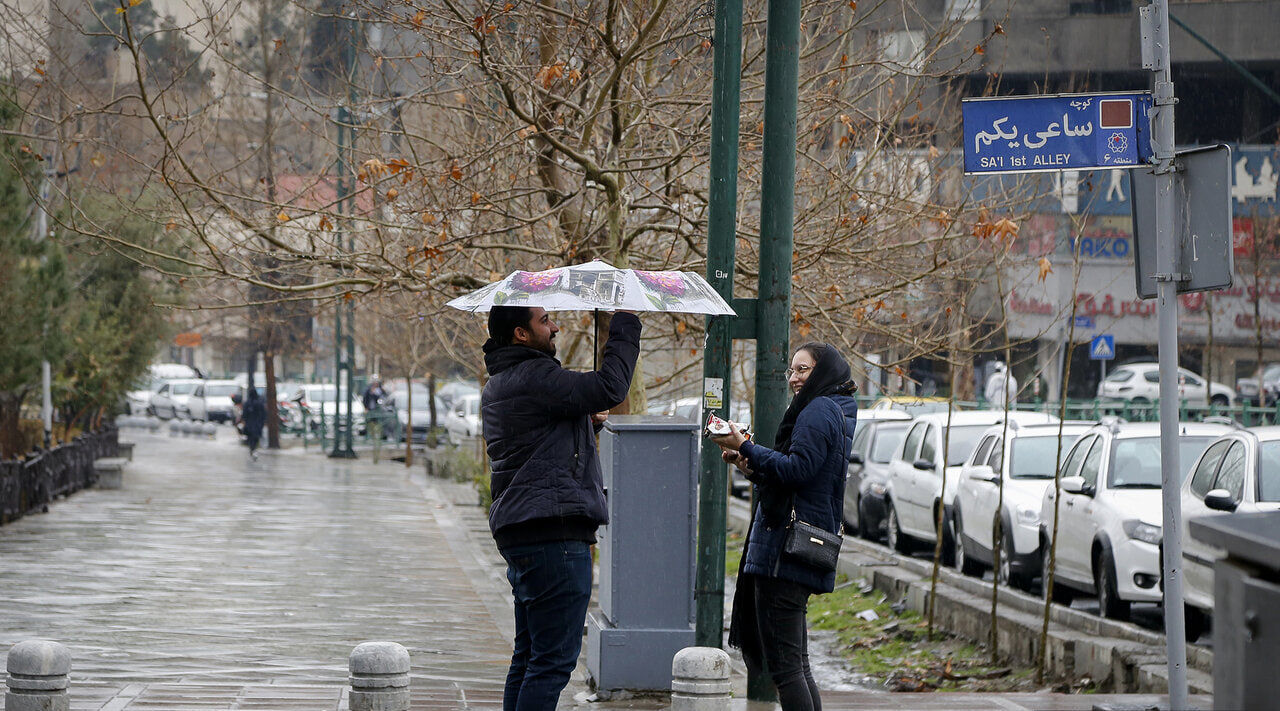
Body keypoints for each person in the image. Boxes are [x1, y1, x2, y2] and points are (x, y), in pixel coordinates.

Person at [481, 305, 641, 710]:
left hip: (526, 530)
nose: (556, 326)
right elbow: (610, 387)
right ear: (520, 333)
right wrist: (625, 321)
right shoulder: (537, 376)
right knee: (552, 663)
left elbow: (534, 446)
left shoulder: (503, 380)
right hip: (554, 534)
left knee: (530, 656)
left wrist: (585, 424)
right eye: (545, 320)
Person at [710, 342, 858, 711]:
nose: (794, 378)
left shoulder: (818, 409)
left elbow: (797, 470)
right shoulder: (832, 408)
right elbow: (799, 477)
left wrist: (745, 445)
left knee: (786, 670)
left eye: (803, 370)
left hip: (784, 553)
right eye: (792, 370)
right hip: (792, 549)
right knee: (797, 665)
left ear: (822, 373)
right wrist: (749, 461)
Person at [241, 387, 266, 459]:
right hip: (257, 423)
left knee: (251, 437)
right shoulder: (259, 403)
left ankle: (252, 448)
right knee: (256, 437)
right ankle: (254, 448)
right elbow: (263, 414)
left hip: (250, 424)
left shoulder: (247, 403)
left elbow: (244, 414)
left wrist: (244, 421)